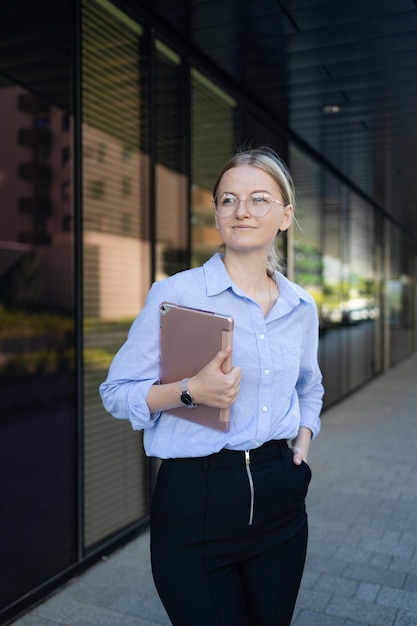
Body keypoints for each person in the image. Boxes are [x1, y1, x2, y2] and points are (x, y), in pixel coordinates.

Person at [100, 146, 324, 626]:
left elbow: (311, 384)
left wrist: (304, 437)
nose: (242, 210)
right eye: (228, 199)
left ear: (285, 215)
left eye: (259, 199)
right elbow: (116, 391)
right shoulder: (176, 294)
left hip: (279, 494)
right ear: (218, 214)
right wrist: (189, 392)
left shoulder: (301, 306)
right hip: (194, 500)